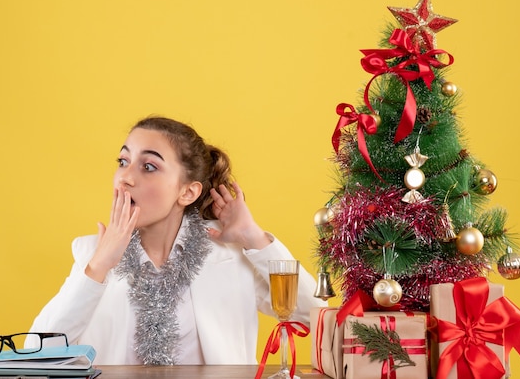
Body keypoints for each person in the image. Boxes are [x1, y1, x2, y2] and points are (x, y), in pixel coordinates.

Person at [25, 116, 323, 365]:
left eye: (149, 166)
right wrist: (100, 265)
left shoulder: (231, 256)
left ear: (188, 192)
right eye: (123, 161)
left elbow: (317, 317)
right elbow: (37, 354)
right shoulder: (93, 255)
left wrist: (254, 238)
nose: (125, 178)